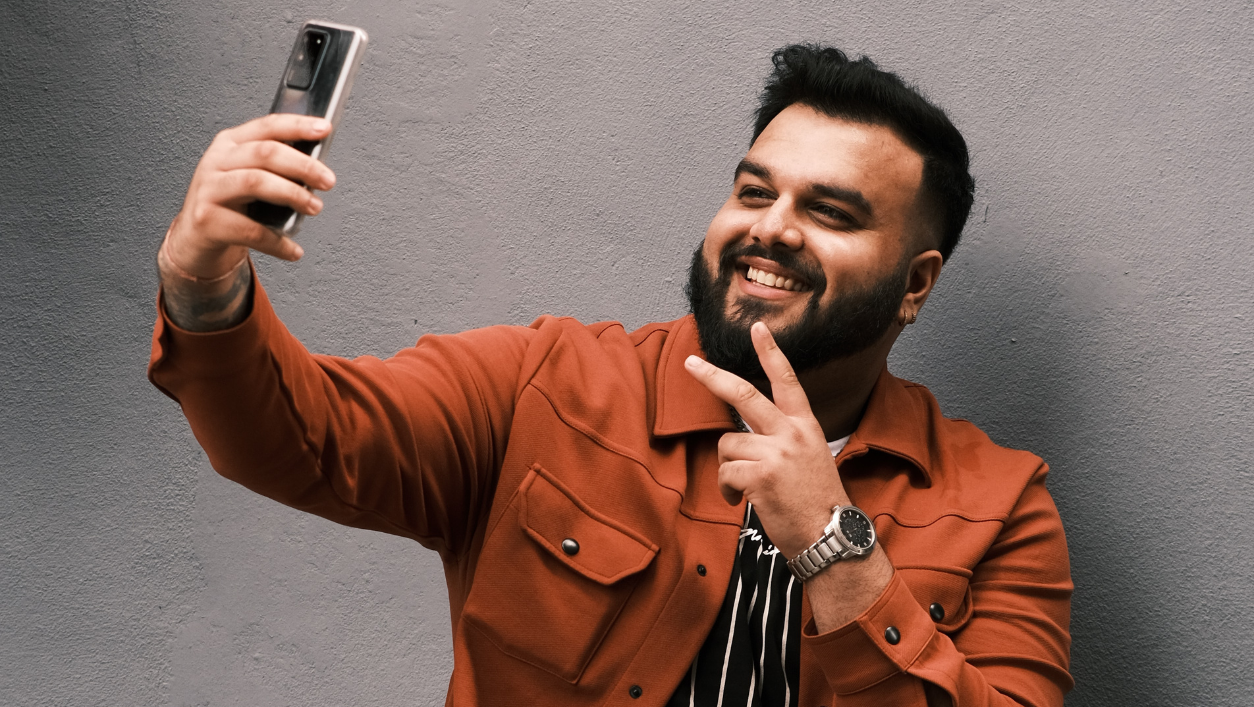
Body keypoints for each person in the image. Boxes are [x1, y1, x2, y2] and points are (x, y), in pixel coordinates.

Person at [148, 45, 1072, 707]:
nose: (772, 228)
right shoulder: (545, 385)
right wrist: (203, 281)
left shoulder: (1001, 503)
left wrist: (836, 549)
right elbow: (296, 437)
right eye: (754, 191)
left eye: (828, 210)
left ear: (915, 284)